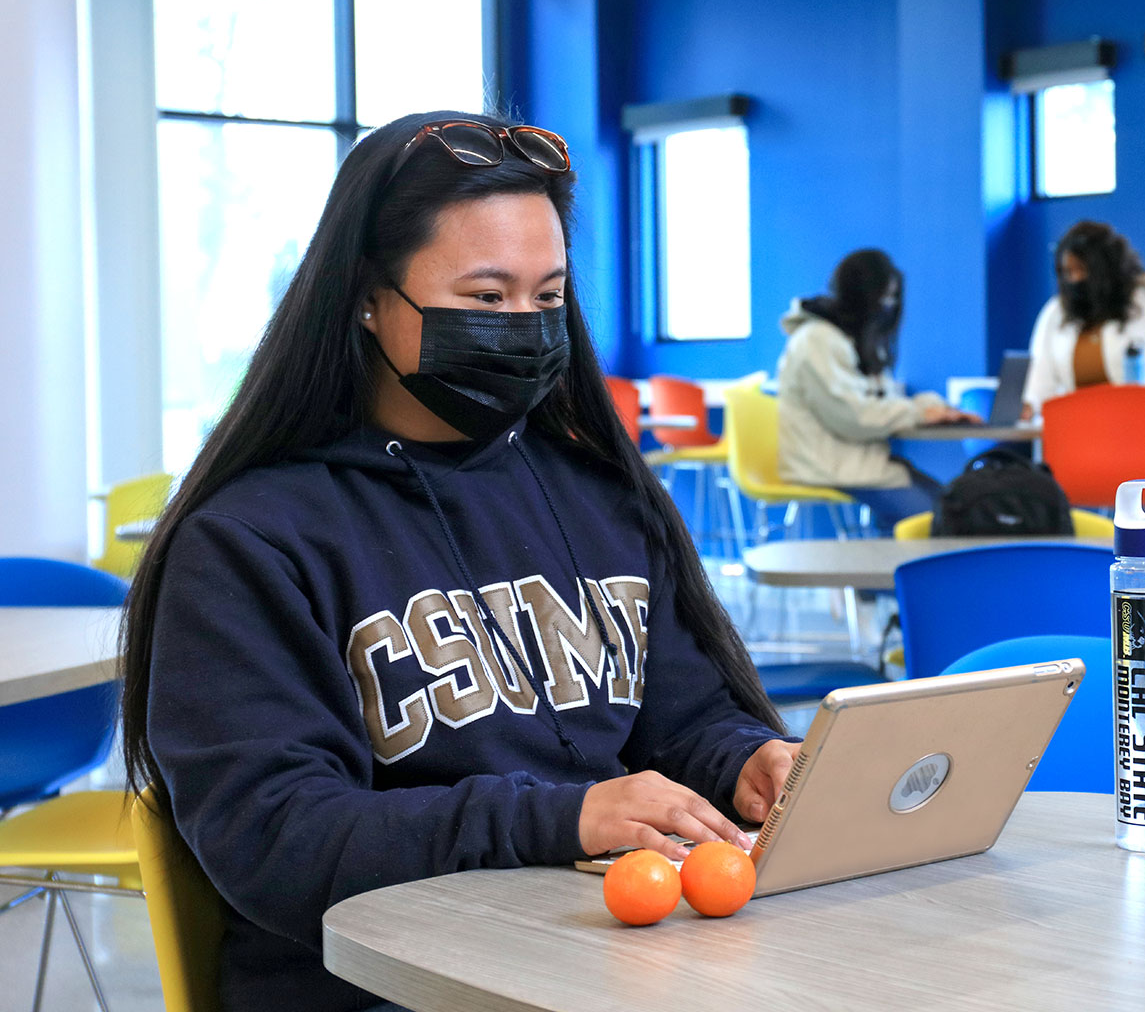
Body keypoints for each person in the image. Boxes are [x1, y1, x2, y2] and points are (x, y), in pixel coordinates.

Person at [119, 113, 800, 1012]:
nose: (522, 327)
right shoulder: (250, 540)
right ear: (369, 297)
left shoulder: (598, 494)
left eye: (547, 297)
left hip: (601, 961)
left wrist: (745, 759)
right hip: (378, 986)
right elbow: (278, 841)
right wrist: (561, 818)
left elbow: (680, 717)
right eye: (485, 299)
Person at [776, 248, 975, 531]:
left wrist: (930, 407)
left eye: (892, 297)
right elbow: (853, 417)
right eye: (884, 296)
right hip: (832, 465)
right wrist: (917, 413)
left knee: (953, 506)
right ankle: (894, 572)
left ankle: (893, 571)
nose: (889, 305)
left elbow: (881, 398)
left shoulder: (849, 339)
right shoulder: (816, 341)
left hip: (861, 462)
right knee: (941, 523)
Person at [1021, 220, 1145, 412]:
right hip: (1082, 426)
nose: (1075, 279)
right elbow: (1039, 383)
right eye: (1068, 272)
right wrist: (1027, 406)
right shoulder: (1056, 311)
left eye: (1082, 269)